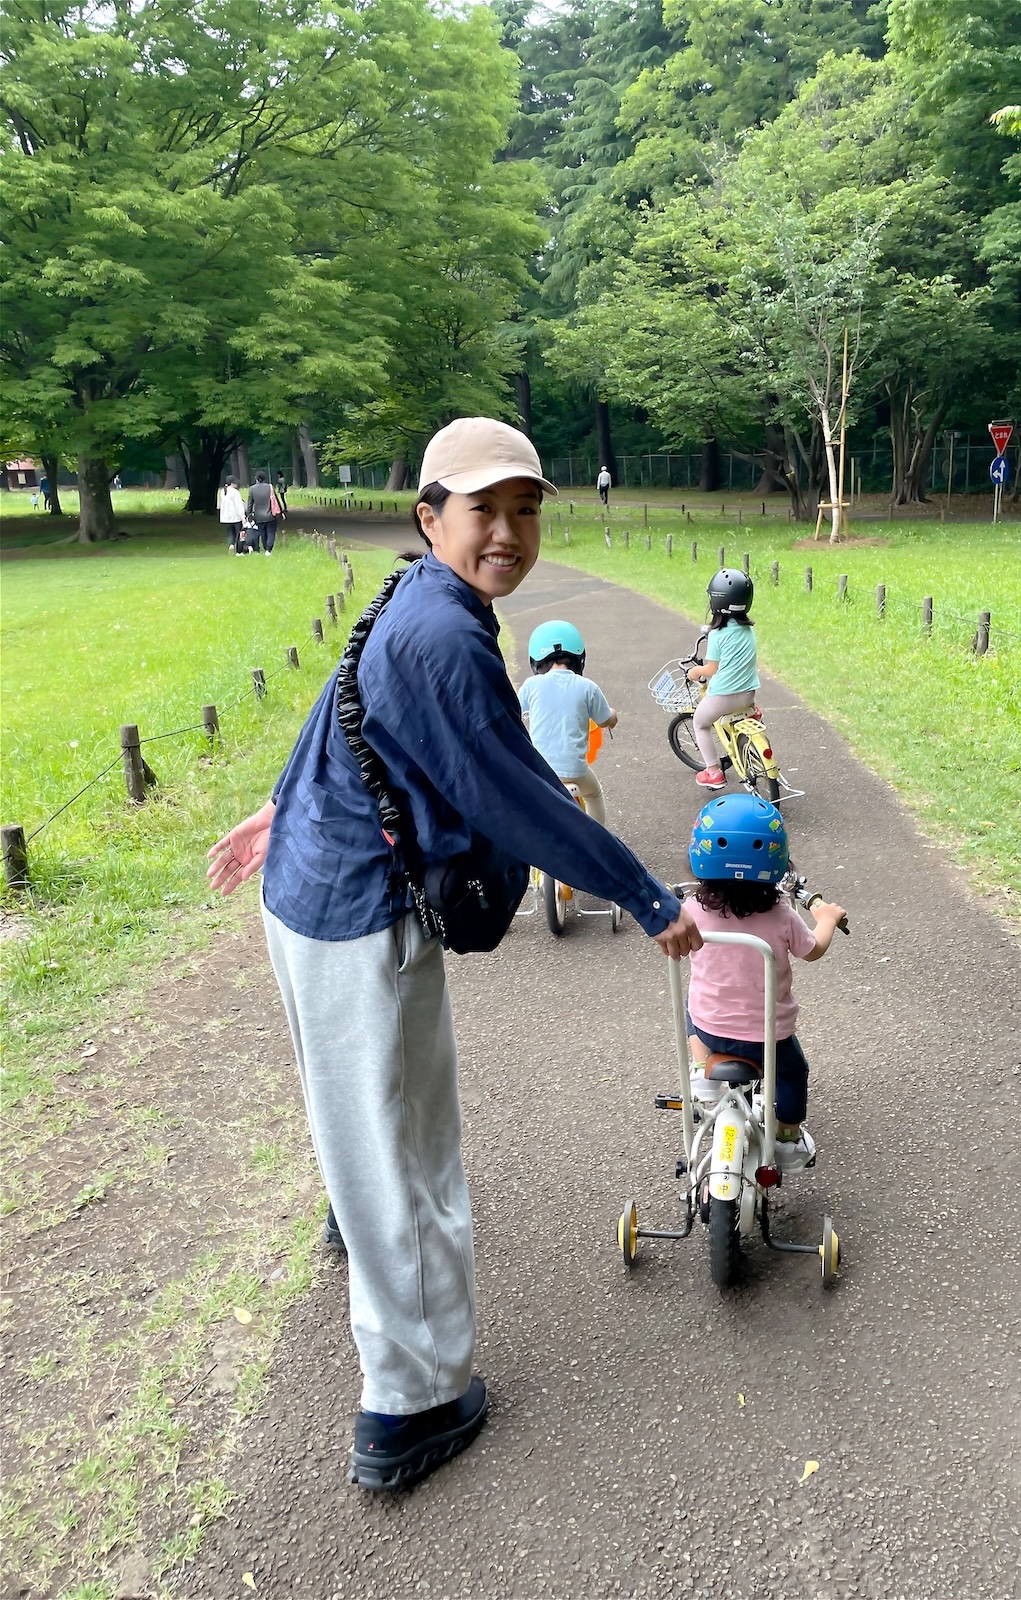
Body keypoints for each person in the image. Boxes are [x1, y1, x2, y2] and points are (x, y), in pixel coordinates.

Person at [206, 417, 700, 1495]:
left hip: (308, 888)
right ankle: (413, 1401)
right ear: (430, 517)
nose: (509, 531)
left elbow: (345, 707)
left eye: (526, 509)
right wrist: (643, 894)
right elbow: (513, 791)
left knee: (361, 1116)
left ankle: (355, 1214)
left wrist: (280, 807)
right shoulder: (443, 632)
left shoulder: (417, 596)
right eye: (485, 509)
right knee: (410, 1153)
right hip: (359, 916)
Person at [682, 793, 846, 1172]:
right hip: (769, 1038)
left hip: (711, 1029)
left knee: (691, 1004)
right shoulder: (782, 915)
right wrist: (827, 919)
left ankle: (702, 1069)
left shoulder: (690, 910)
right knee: (792, 1072)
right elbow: (813, 950)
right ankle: (787, 1137)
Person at [518, 620, 617, 825]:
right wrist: (613, 716)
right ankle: (598, 838)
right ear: (579, 656)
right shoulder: (587, 687)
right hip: (575, 770)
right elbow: (605, 720)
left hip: (542, 770)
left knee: (529, 802)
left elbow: (514, 711)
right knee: (594, 794)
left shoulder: (531, 685)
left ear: (536, 659)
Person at [687, 568, 758, 790]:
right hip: (748, 696)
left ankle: (713, 772)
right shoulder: (748, 631)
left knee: (700, 724)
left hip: (723, 698)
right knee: (739, 709)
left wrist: (695, 672)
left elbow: (711, 669)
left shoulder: (717, 635)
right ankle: (751, 717)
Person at [245, 471, 278, 554]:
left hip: (258, 516)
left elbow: (250, 504)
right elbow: (275, 500)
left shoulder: (252, 489)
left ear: (256, 478)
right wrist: (281, 511)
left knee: (262, 533)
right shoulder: (270, 487)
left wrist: (249, 514)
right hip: (270, 515)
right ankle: (269, 549)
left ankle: (266, 547)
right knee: (271, 532)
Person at [218, 479, 246, 554]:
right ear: (232, 483)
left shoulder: (223, 491)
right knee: (238, 533)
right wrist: (242, 516)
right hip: (236, 517)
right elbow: (239, 505)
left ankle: (231, 544)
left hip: (226, 518)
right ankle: (239, 551)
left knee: (231, 533)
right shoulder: (235, 492)